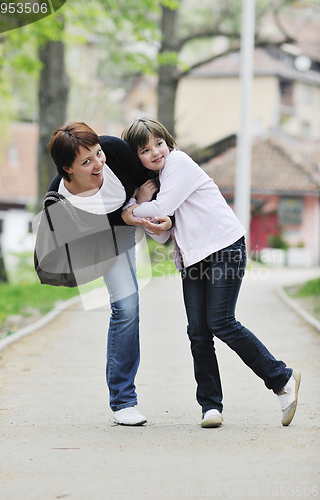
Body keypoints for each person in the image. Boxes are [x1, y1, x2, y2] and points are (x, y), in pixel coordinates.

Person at [121, 117, 301, 428]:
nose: (155, 152)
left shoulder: (178, 163)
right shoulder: (158, 182)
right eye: (145, 150)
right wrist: (148, 212)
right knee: (198, 333)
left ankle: (282, 377)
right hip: (193, 259)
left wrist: (133, 210)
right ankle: (210, 407)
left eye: (159, 143)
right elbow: (163, 233)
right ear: (135, 157)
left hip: (224, 248)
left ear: (168, 142)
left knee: (221, 322)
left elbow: (164, 205)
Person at [45, 121, 173, 426]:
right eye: (86, 162)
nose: (98, 163)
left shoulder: (114, 152)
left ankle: (122, 397)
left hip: (129, 222)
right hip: (99, 241)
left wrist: (147, 208)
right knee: (126, 306)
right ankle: (123, 401)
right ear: (67, 169)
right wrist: (129, 212)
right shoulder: (59, 200)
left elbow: (158, 181)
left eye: (98, 154)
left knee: (130, 304)